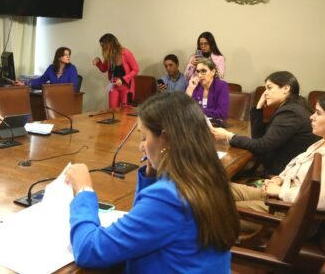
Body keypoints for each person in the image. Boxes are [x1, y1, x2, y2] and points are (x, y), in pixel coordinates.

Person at [65, 92, 238, 272]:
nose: (141, 146)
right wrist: (151, 174)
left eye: (144, 137)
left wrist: (83, 190)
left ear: (164, 138)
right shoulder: (207, 175)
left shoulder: (169, 196)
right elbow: (146, 223)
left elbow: (88, 251)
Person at [231, 92, 325, 214]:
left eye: (318, 113)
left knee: (220, 209)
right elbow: (297, 169)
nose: (311, 117)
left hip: (289, 212)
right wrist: (279, 179)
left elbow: (322, 199)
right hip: (281, 196)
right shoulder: (323, 142)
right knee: (218, 188)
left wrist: (281, 192)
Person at [212, 71, 319, 176]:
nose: (265, 93)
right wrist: (258, 107)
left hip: (281, 175)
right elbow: (259, 138)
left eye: (269, 87)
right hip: (281, 168)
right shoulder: (292, 106)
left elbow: (262, 145)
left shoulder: (291, 112)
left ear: (286, 89)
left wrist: (228, 136)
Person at [92, 33, 140, 107]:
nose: (102, 48)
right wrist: (98, 62)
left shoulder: (126, 53)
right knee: (112, 108)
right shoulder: (109, 55)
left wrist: (123, 79)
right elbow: (104, 69)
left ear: (109, 44)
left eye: (103, 45)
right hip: (114, 85)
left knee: (126, 109)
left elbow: (136, 69)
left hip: (127, 86)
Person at [14, 47, 79, 92]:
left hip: (65, 98)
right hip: (51, 97)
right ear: (59, 57)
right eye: (65, 55)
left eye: (69, 55)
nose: (68, 57)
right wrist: (25, 83)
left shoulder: (72, 69)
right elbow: (41, 80)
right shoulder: (51, 68)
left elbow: (73, 87)